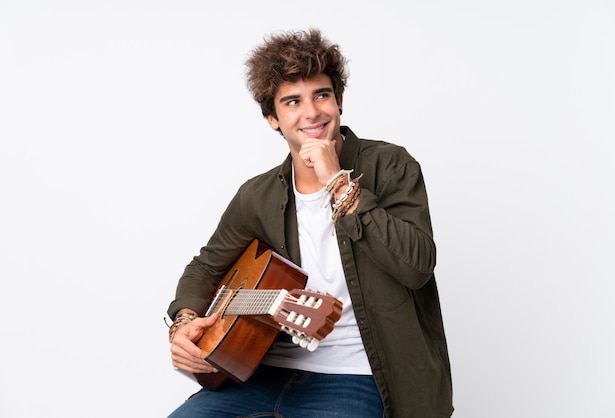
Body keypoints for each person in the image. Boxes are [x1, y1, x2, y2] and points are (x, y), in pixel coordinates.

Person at [166, 28, 453, 417]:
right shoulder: (258, 195)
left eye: (322, 95)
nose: (312, 112)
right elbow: (204, 268)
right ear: (272, 118)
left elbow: (417, 266)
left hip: (357, 376)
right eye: (292, 102)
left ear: (339, 101)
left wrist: (338, 183)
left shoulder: (390, 166)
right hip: (261, 374)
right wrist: (183, 323)